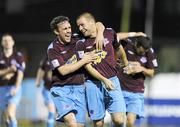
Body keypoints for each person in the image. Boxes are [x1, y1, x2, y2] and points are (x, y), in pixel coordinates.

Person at [47, 15, 104, 127]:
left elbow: (97, 24)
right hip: (61, 90)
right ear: (56, 31)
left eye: (69, 28)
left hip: (79, 89)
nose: (68, 31)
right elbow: (63, 71)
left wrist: (101, 34)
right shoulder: (53, 49)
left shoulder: (77, 37)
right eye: (64, 29)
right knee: (72, 123)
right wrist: (84, 60)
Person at [76, 12, 127, 127]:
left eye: (82, 25)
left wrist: (125, 62)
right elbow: (87, 66)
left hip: (113, 80)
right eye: (78, 26)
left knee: (119, 120)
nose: (80, 28)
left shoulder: (109, 33)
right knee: (98, 124)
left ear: (91, 22)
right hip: (93, 84)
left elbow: (119, 48)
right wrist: (104, 80)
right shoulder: (80, 42)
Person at [116, 35, 158, 127]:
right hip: (120, 89)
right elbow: (116, 36)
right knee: (118, 122)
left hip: (136, 92)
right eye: (141, 51)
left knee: (130, 122)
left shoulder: (149, 52)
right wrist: (133, 33)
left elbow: (151, 73)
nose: (142, 53)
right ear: (136, 44)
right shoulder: (127, 44)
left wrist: (141, 69)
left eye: (145, 52)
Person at [0, 34, 25, 127]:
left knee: (10, 113)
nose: (7, 42)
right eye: (5, 40)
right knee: (6, 117)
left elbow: (20, 73)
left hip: (14, 88)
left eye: (9, 40)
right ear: (2, 43)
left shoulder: (18, 56)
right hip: (1, 89)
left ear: (13, 42)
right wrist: (9, 70)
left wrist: (17, 87)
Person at [35, 55, 56, 127]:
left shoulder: (62, 57)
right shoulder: (45, 59)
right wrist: (38, 80)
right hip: (47, 89)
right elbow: (41, 70)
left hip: (59, 90)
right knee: (51, 108)